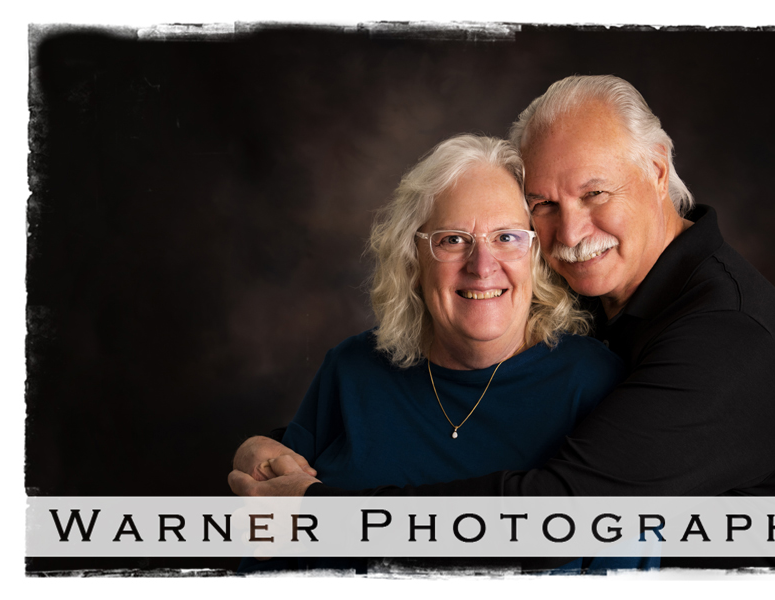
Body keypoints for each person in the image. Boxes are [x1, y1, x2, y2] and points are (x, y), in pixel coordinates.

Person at [231, 77, 775, 569]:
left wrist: (322, 512)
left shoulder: (723, 336)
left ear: (658, 170)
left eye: (595, 193)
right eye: (545, 205)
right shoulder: (612, 297)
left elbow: (555, 515)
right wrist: (277, 452)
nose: (570, 234)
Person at [231, 133, 654, 573]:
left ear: (536, 256)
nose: (482, 265)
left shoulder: (595, 383)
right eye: (453, 240)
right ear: (413, 257)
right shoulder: (350, 369)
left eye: (507, 237)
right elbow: (266, 548)